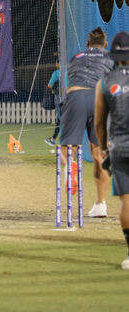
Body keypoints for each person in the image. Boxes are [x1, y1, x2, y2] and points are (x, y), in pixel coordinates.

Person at [60, 27, 114, 218]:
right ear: (105, 45)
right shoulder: (111, 57)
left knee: (67, 147)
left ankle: (70, 165)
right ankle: (100, 204)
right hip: (100, 99)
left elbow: (69, 83)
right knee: (99, 154)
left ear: (87, 44)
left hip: (76, 94)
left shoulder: (76, 58)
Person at [94, 31, 129, 271]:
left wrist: (105, 149)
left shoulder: (105, 81)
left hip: (119, 147)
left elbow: (98, 122)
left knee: (127, 202)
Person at [45, 60, 62, 146]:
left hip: (59, 99)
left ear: (58, 63)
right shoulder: (70, 71)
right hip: (70, 98)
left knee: (60, 118)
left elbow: (50, 85)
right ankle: (53, 139)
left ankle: (55, 140)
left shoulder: (56, 73)